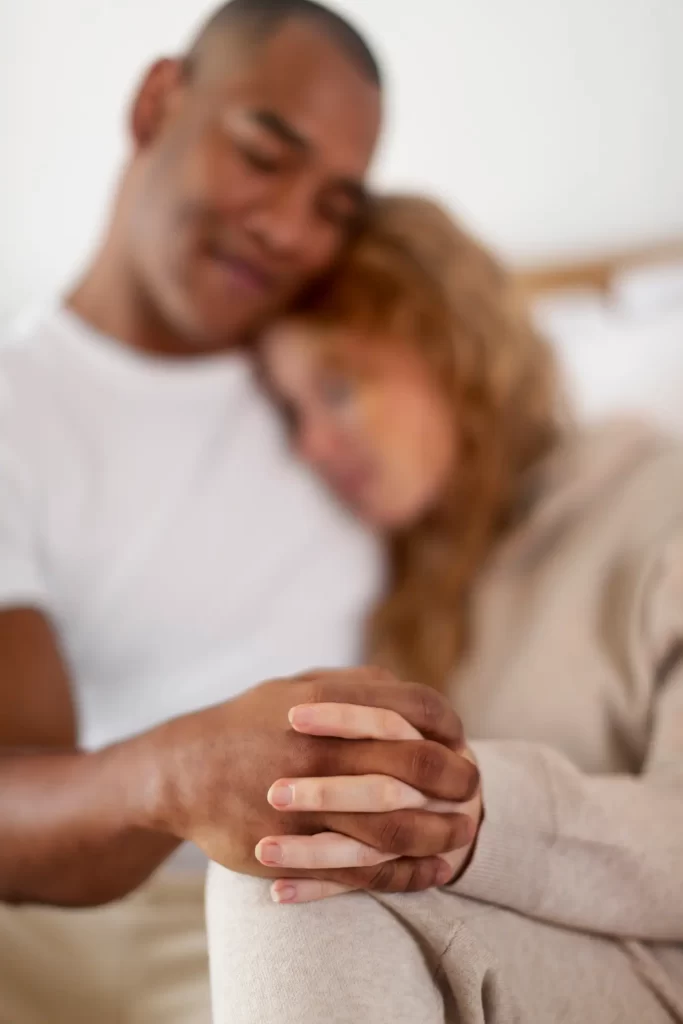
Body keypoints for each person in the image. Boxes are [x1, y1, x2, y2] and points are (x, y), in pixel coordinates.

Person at [0, 8, 480, 1023]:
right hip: (61, 925)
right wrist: (176, 775)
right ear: (156, 104)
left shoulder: (338, 361)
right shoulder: (18, 411)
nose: (290, 231)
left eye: (333, 206)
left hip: (303, 911)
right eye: (263, 156)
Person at [207, 195, 683, 1023]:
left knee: (292, 880)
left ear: (452, 350)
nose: (311, 446)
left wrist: (466, 816)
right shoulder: (407, 594)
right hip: (516, 963)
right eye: (292, 413)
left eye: (337, 388)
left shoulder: (658, 509)